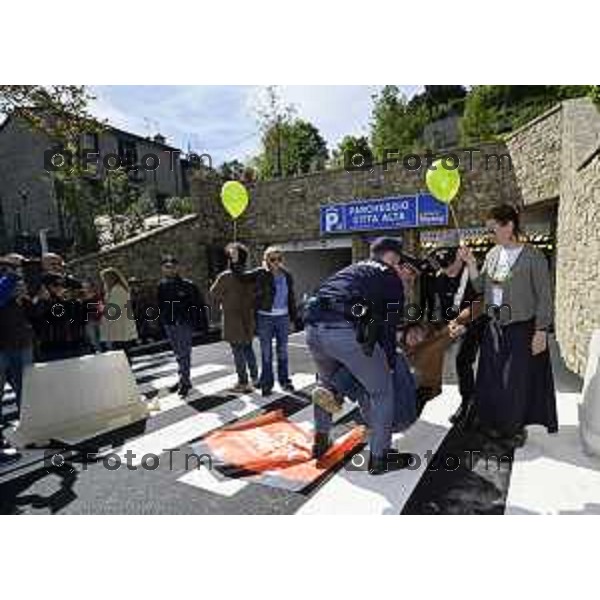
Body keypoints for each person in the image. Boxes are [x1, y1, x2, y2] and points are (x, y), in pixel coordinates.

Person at [304, 237, 409, 475]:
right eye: (399, 261)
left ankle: (320, 442)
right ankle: (380, 458)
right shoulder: (390, 276)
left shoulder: (352, 268)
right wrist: (389, 363)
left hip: (312, 328)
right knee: (381, 392)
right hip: (344, 331)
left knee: (326, 385)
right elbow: (389, 326)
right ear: (392, 257)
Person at [459, 204, 558, 446]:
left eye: (493, 230)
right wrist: (471, 262)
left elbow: (545, 296)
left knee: (515, 382)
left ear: (509, 225)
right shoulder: (493, 254)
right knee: (491, 379)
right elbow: (481, 286)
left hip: (521, 328)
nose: (490, 235)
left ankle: (513, 430)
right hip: (494, 327)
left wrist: (541, 331)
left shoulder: (533, 257)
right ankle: (493, 424)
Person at [426, 246, 486, 427]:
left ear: (459, 259)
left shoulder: (475, 270)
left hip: (485, 322)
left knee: (491, 363)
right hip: (463, 326)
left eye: (451, 266)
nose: (449, 272)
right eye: (444, 268)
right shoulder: (441, 278)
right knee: (462, 361)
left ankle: (493, 406)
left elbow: (482, 300)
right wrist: (450, 325)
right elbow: (445, 307)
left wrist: (461, 321)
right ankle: (468, 402)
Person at [210, 243, 259, 393]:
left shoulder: (225, 276)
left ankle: (243, 382)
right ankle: (256, 378)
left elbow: (213, 294)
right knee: (248, 349)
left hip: (232, 319)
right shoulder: (250, 275)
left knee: (238, 351)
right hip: (248, 317)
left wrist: (223, 302)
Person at [157, 256, 206, 397]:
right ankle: (183, 379)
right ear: (162, 269)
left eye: (172, 266)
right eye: (166, 266)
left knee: (184, 354)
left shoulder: (188, 285)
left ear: (177, 268)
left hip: (184, 324)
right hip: (169, 324)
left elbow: (198, 305)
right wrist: (162, 323)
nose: (169, 268)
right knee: (178, 354)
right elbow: (160, 306)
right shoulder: (161, 286)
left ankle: (184, 382)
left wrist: (200, 325)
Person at [255, 246, 297, 396]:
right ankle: (267, 383)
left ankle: (284, 381)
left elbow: (291, 298)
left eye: (279, 259)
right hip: (264, 317)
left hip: (283, 318)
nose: (276, 262)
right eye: (273, 259)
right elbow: (243, 279)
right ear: (266, 260)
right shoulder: (260, 274)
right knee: (266, 353)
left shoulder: (287, 275)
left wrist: (293, 319)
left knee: (283, 351)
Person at [0, 254, 35, 436]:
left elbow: (35, 313)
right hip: (3, 346)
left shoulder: (18, 285)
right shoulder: (7, 281)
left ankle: (27, 423)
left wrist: (25, 298)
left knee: (25, 387)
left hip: (21, 342)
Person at [100, 267, 138, 361]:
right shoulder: (113, 290)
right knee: (121, 351)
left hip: (120, 326)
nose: (104, 282)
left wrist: (102, 308)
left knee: (122, 351)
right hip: (118, 326)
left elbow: (114, 308)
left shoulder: (118, 290)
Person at [81, 280, 104, 354]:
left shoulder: (97, 295)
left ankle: (104, 350)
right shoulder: (82, 297)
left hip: (98, 318)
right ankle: (97, 350)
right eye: (84, 287)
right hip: (89, 320)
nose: (86, 288)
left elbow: (100, 306)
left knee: (101, 337)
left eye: (87, 287)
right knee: (93, 338)